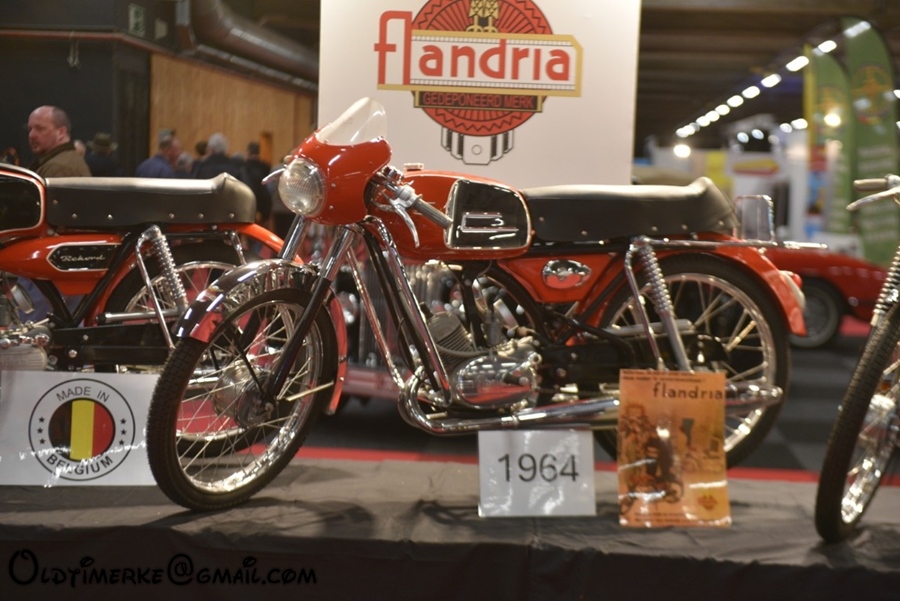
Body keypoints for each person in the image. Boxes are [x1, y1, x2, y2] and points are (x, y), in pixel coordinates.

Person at [26, 105, 91, 177]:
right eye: (29, 129)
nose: (31, 135)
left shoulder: (59, 168)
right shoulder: (63, 161)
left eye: (40, 129)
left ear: (61, 132)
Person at [240, 141, 273, 225]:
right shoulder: (265, 167)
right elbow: (269, 188)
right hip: (263, 204)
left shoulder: (243, 167)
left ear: (248, 153)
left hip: (247, 204)